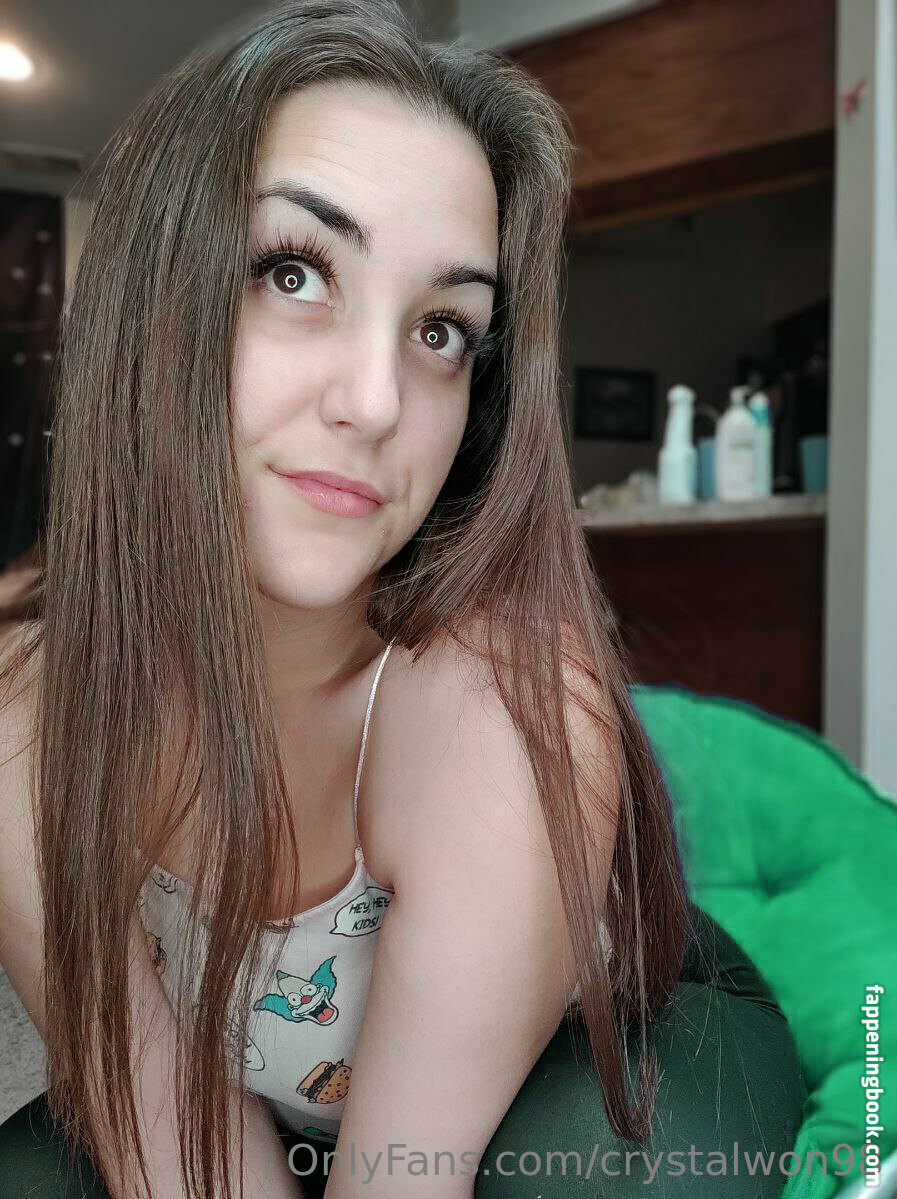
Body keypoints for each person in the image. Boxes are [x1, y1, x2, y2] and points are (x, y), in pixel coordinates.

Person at [0, 2, 804, 1197]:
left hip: (627, 1026)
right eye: (294, 272)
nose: (377, 402)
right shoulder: (22, 697)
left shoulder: (490, 717)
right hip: (295, 1090)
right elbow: (167, 1138)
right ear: (150, 296)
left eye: (442, 329)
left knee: (614, 1162)